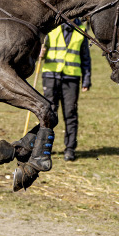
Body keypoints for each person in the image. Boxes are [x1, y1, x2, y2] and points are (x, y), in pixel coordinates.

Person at [40, 20, 91, 161]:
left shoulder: (81, 30)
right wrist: (39, 53)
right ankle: (44, 148)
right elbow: (40, 49)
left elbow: (85, 57)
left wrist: (86, 79)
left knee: (70, 113)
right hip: (51, 76)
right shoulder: (51, 27)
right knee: (48, 114)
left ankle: (70, 149)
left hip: (71, 78)